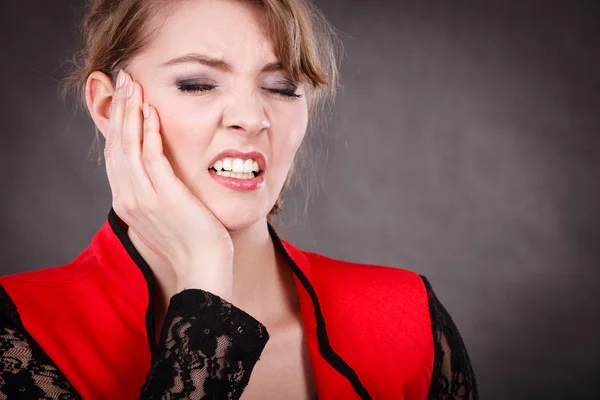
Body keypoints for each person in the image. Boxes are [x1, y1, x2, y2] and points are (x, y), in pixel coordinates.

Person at [0, 0, 478, 399]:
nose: (253, 118)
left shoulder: (408, 317)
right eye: (198, 83)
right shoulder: (20, 329)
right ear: (109, 107)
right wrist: (206, 277)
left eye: (281, 87)